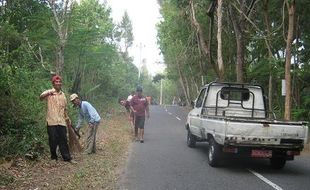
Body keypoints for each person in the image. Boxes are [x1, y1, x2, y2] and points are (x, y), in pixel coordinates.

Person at [39, 75, 75, 163]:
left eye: (59, 82)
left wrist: (67, 118)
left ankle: (67, 158)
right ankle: (53, 158)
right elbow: (40, 97)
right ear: (53, 83)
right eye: (56, 82)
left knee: (63, 139)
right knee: (53, 140)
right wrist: (49, 92)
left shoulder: (63, 96)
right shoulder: (49, 92)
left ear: (61, 83)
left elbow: (65, 109)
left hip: (61, 121)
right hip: (51, 121)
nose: (58, 83)